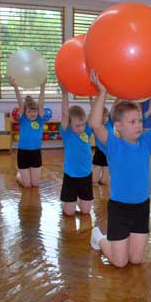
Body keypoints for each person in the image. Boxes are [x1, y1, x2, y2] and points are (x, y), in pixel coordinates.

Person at [89, 72, 151, 267]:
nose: (138, 126)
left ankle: (112, 242)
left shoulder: (146, 141)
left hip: (141, 208)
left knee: (135, 260)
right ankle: (99, 238)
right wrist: (102, 92)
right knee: (120, 262)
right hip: (119, 210)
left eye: (139, 121)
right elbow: (94, 124)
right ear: (118, 126)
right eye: (132, 122)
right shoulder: (112, 144)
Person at [59, 84, 94, 216]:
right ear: (69, 124)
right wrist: (65, 94)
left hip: (86, 176)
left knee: (86, 212)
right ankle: (68, 203)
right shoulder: (67, 133)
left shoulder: (87, 131)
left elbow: (93, 114)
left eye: (83, 124)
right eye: (77, 125)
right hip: (71, 177)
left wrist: (92, 99)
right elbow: (64, 114)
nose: (81, 128)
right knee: (69, 213)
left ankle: (78, 201)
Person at [10, 77, 46, 188]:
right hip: (23, 153)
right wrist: (16, 87)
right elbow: (20, 103)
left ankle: (27, 175)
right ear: (25, 112)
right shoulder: (23, 119)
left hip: (35, 153)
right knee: (27, 185)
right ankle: (19, 175)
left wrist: (42, 87)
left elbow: (41, 103)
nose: (32, 113)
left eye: (34, 110)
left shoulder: (40, 120)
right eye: (29, 111)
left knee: (35, 184)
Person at [92, 106, 112, 185]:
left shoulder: (110, 123)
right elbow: (94, 113)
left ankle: (104, 179)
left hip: (109, 151)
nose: (104, 118)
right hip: (100, 151)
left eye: (106, 116)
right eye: (102, 116)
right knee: (94, 180)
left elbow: (114, 107)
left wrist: (118, 97)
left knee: (105, 181)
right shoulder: (96, 125)